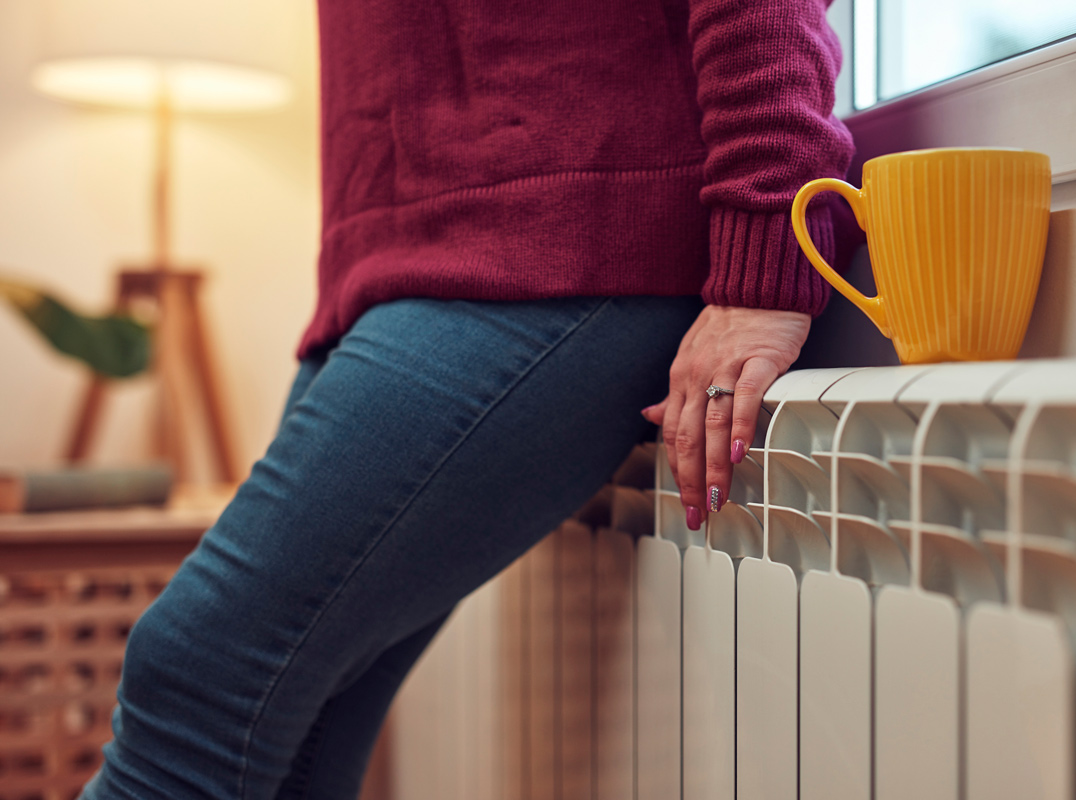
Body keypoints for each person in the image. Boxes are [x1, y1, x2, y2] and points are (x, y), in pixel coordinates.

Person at [81, 0, 853, 796]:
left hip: (564, 232)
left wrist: (770, 230)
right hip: (402, 260)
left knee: (195, 673)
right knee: (299, 738)